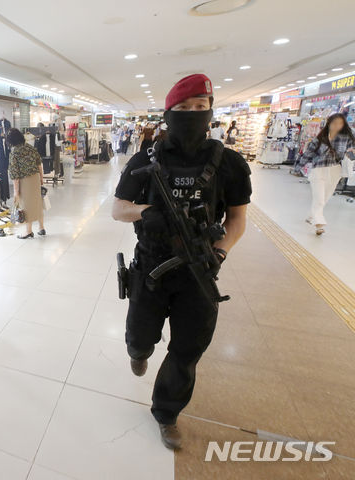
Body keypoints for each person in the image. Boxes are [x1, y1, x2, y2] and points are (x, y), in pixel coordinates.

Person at [111, 74, 251, 450]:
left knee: (187, 350)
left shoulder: (229, 163)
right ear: (168, 114)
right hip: (151, 269)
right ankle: (138, 353)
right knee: (140, 337)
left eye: (200, 108)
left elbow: (237, 219)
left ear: (210, 112)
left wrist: (221, 251)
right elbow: (118, 209)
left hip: (200, 272)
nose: (192, 115)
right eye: (183, 109)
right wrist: (145, 213)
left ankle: (167, 413)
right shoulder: (146, 159)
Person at [295, 113, 355, 235]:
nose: (336, 126)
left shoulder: (346, 137)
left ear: (343, 125)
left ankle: (312, 215)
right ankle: (319, 224)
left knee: (325, 197)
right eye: (334, 123)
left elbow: (351, 153)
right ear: (329, 123)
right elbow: (308, 153)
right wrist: (298, 167)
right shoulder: (320, 138)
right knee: (319, 198)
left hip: (335, 170)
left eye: (340, 123)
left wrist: (351, 153)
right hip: (318, 170)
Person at [8, 128, 45, 238]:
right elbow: (39, 163)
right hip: (35, 178)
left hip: (25, 181)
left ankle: (28, 231)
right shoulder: (30, 148)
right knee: (38, 203)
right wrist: (41, 178)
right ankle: (41, 228)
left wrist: (16, 192)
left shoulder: (14, 152)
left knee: (26, 206)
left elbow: (15, 175)